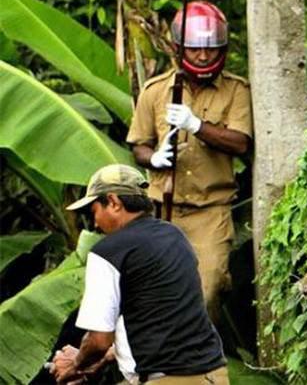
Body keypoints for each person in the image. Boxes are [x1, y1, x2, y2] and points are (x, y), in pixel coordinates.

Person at [126, 0, 253, 325]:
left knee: (207, 289)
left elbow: (240, 142)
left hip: (210, 212)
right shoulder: (155, 92)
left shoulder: (236, 90)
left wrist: (197, 126)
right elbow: (138, 145)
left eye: (211, 49)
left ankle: (199, 364)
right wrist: (153, 158)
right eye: (196, 49)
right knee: (155, 295)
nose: (203, 56)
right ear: (179, 48)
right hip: (162, 211)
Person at [49, 164, 228, 385]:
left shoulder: (108, 252)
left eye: (94, 211)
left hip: (166, 378)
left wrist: (74, 364)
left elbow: (98, 340)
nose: (94, 223)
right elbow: (160, 321)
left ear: (113, 202)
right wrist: (107, 356)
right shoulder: (173, 235)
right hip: (213, 375)